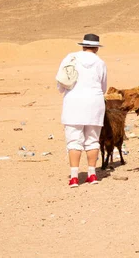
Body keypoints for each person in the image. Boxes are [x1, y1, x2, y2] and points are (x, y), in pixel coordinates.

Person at [57, 34, 107, 187]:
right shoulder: (100, 62)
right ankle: (92, 174)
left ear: (83, 45)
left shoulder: (70, 58)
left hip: (73, 103)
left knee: (74, 140)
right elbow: (103, 87)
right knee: (92, 140)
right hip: (94, 103)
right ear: (96, 48)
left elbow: (61, 83)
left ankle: (74, 177)